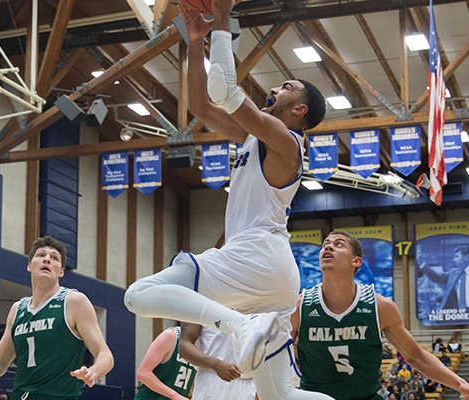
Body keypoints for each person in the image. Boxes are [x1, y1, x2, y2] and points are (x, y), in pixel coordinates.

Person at [122, 0, 327, 381]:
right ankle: (244, 326)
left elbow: (224, 89)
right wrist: (195, 42)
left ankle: (240, 325)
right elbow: (201, 104)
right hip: (271, 272)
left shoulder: (287, 142)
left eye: (286, 87)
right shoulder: (256, 138)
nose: (273, 87)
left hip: (256, 255)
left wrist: (222, 18)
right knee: (280, 391)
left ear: (300, 110)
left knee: (138, 294)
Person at [291, 230, 469, 400]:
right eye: (325, 244)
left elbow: (416, 356)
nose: (328, 247)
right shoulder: (300, 306)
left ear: (356, 261)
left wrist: (461, 384)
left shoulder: (380, 307)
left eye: (338, 244)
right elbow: (276, 355)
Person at [0, 236, 114, 400]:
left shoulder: (74, 301)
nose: (47, 259)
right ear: (30, 266)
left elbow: (106, 355)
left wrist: (92, 372)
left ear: (61, 271)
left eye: (54, 258)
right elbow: (0, 361)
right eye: (41, 255)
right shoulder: (17, 309)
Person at [179, 324, 252, 400]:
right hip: (212, 379)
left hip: (251, 381)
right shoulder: (198, 312)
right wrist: (214, 364)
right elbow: (183, 345)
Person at [417, 246, 469, 317]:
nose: (454, 259)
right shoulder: (454, 272)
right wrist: (422, 264)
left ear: (466, 258)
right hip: (458, 314)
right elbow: (437, 277)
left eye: (457, 256)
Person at [133, 327, 195, 400]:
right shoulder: (171, 336)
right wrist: (174, 395)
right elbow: (142, 374)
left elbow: (192, 383)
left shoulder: (200, 345)